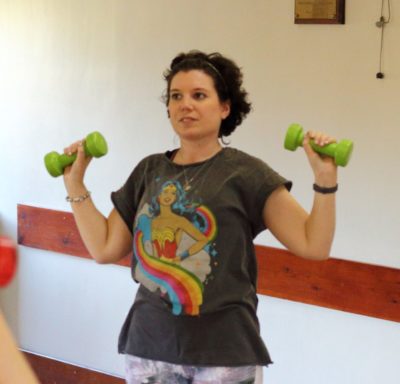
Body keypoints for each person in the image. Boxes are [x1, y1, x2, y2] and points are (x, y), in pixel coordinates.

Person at [62, 50, 337, 384]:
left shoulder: (246, 174)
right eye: (176, 96)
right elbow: (104, 248)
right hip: (150, 347)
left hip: (224, 354)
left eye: (199, 95)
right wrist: (74, 181)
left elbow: (313, 245)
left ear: (225, 107)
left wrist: (324, 180)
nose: (184, 105)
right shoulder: (149, 171)